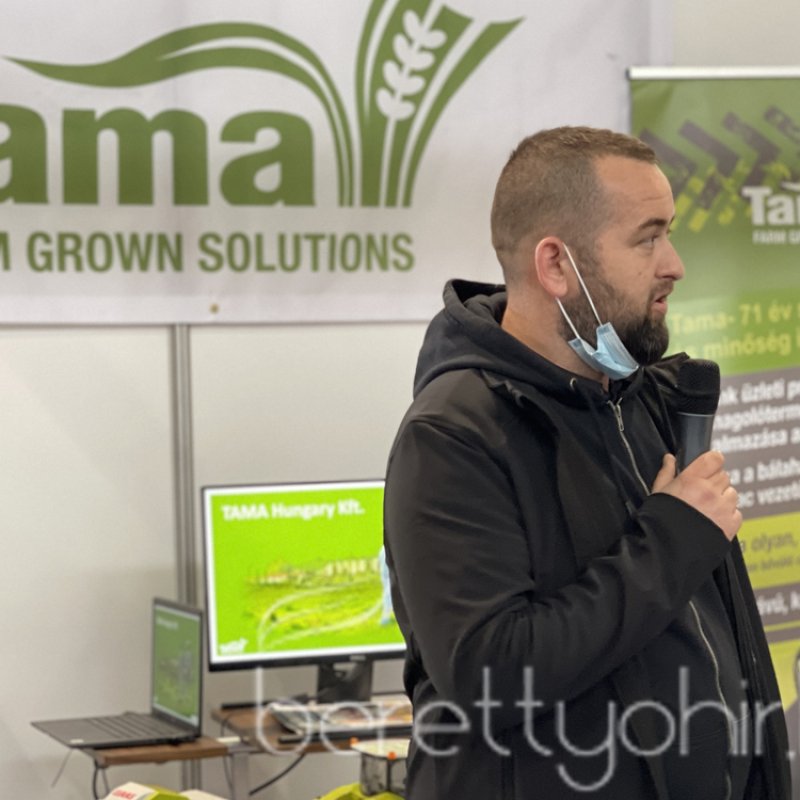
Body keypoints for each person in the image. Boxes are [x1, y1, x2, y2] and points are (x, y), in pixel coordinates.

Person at [383, 126, 790, 799]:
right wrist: (672, 540)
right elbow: (489, 675)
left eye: (669, 233)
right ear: (556, 265)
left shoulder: (640, 401)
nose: (674, 264)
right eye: (647, 238)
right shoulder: (455, 433)